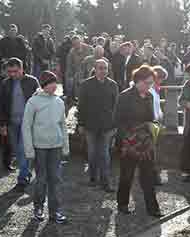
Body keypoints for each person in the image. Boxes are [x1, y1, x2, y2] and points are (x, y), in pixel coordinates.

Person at [22, 71, 69, 224]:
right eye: (50, 82)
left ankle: (55, 211)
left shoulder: (59, 102)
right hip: (39, 147)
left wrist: (65, 146)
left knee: (55, 179)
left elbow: (63, 125)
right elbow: (26, 126)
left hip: (55, 146)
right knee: (41, 179)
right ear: (44, 85)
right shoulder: (33, 102)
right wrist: (29, 149)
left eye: (55, 82)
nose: (54, 85)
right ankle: (38, 208)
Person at [116, 65, 162, 217]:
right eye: (147, 83)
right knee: (126, 175)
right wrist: (128, 140)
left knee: (148, 176)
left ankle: (153, 208)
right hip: (129, 142)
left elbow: (151, 118)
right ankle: (122, 204)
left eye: (151, 83)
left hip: (145, 141)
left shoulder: (149, 96)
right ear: (138, 81)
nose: (149, 86)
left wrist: (152, 126)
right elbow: (118, 120)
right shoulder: (124, 96)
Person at [0, 57, 40, 192]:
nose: (12, 74)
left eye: (15, 71)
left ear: (22, 69)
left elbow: (40, 102)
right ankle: (27, 171)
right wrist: (3, 124)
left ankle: (22, 179)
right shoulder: (6, 84)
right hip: (12, 122)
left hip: (27, 122)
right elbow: (2, 106)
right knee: (17, 150)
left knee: (23, 150)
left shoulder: (32, 81)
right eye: (10, 72)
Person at [78, 59, 119, 193]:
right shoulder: (86, 85)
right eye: (100, 68)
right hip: (90, 125)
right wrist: (81, 124)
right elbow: (82, 106)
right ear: (95, 69)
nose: (103, 71)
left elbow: (116, 107)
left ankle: (105, 181)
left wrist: (115, 125)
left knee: (105, 154)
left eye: (105, 68)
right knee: (92, 153)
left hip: (107, 126)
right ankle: (93, 178)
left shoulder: (113, 85)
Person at [151, 65, 168, 185]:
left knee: (156, 151)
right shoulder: (151, 90)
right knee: (153, 152)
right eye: (161, 79)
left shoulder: (155, 89)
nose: (161, 82)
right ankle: (154, 176)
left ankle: (154, 175)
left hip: (156, 123)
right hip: (152, 123)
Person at [65, 35, 92, 103]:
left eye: (78, 43)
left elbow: (94, 58)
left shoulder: (89, 48)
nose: (76, 45)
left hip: (89, 71)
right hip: (78, 73)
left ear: (81, 41)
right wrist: (69, 75)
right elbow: (69, 64)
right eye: (74, 44)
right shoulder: (72, 52)